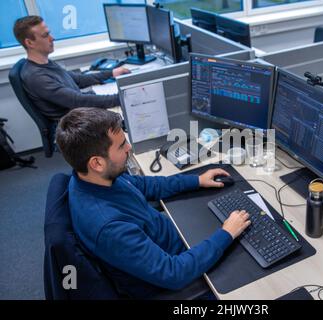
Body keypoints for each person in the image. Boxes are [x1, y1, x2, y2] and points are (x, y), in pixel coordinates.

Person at [55, 107, 251, 298]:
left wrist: (197, 180)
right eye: (122, 145)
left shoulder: (96, 177)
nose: (129, 148)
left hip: (175, 238)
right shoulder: (109, 227)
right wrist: (226, 234)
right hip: (173, 279)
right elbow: (173, 273)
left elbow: (145, 184)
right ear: (97, 163)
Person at [13, 16, 130, 120]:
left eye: (49, 33)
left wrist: (111, 73)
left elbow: (78, 80)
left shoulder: (45, 63)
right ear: (29, 43)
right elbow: (78, 101)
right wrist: (122, 97)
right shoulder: (37, 76)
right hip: (72, 129)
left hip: (79, 113)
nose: (52, 38)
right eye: (45, 35)